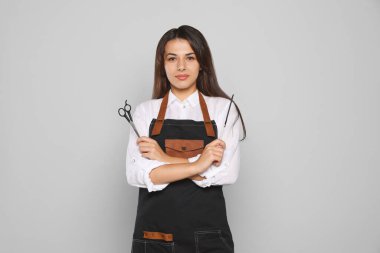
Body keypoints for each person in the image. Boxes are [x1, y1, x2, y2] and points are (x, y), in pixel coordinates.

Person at [125, 25, 247, 253]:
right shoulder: (144, 112)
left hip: (209, 238)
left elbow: (227, 173)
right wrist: (201, 164)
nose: (181, 66)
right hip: (154, 237)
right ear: (163, 64)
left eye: (189, 57)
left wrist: (163, 159)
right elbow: (137, 175)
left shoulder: (224, 110)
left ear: (202, 63)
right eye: (172, 58)